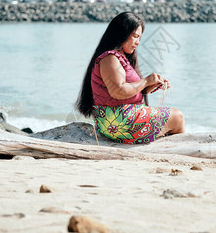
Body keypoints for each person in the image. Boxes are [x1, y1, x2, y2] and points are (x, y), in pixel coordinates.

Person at [76, 12, 185, 144]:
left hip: (117, 120)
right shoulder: (109, 58)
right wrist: (145, 81)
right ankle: (178, 154)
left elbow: (126, 93)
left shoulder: (120, 58)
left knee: (173, 118)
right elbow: (118, 91)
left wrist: (150, 85)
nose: (138, 42)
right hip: (118, 122)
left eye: (139, 37)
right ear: (122, 34)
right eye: (135, 36)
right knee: (177, 117)